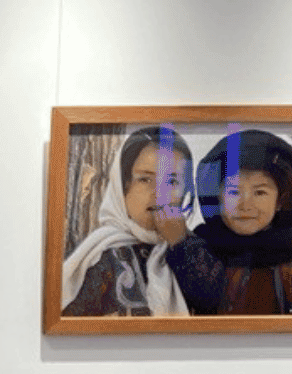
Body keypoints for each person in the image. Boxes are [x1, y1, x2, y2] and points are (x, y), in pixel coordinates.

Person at [160, 129, 292, 315]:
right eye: (234, 192)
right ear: (217, 197)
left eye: (260, 192)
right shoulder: (196, 249)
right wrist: (181, 244)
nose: (245, 205)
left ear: (280, 200)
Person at [61, 126, 193, 318]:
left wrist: (181, 244)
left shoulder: (193, 253)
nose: (160, 194)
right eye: (145, 180)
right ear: (123, 187)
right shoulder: (101, 257)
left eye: (171, 182)